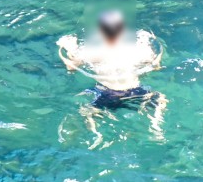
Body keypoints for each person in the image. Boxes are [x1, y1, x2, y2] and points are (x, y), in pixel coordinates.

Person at [57, 10, 167, 147]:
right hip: (136, 91)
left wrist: (67, 47)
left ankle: (96, 136)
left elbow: (71, 68)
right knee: (159, 97)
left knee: (86, 111)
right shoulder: (138, 50)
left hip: (107, 94)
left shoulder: (92, 52)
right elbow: (155, 65)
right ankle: (155, 126)